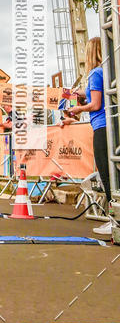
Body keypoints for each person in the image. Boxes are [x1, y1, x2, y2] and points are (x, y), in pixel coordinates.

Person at [67, 37, 115, 238]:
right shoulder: (106, 72)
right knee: (111, 174)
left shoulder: (95, 73)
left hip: (102, 127)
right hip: (109, 126)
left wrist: (78, 108)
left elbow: (95, 105)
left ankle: (115, 220)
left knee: (107, 175)